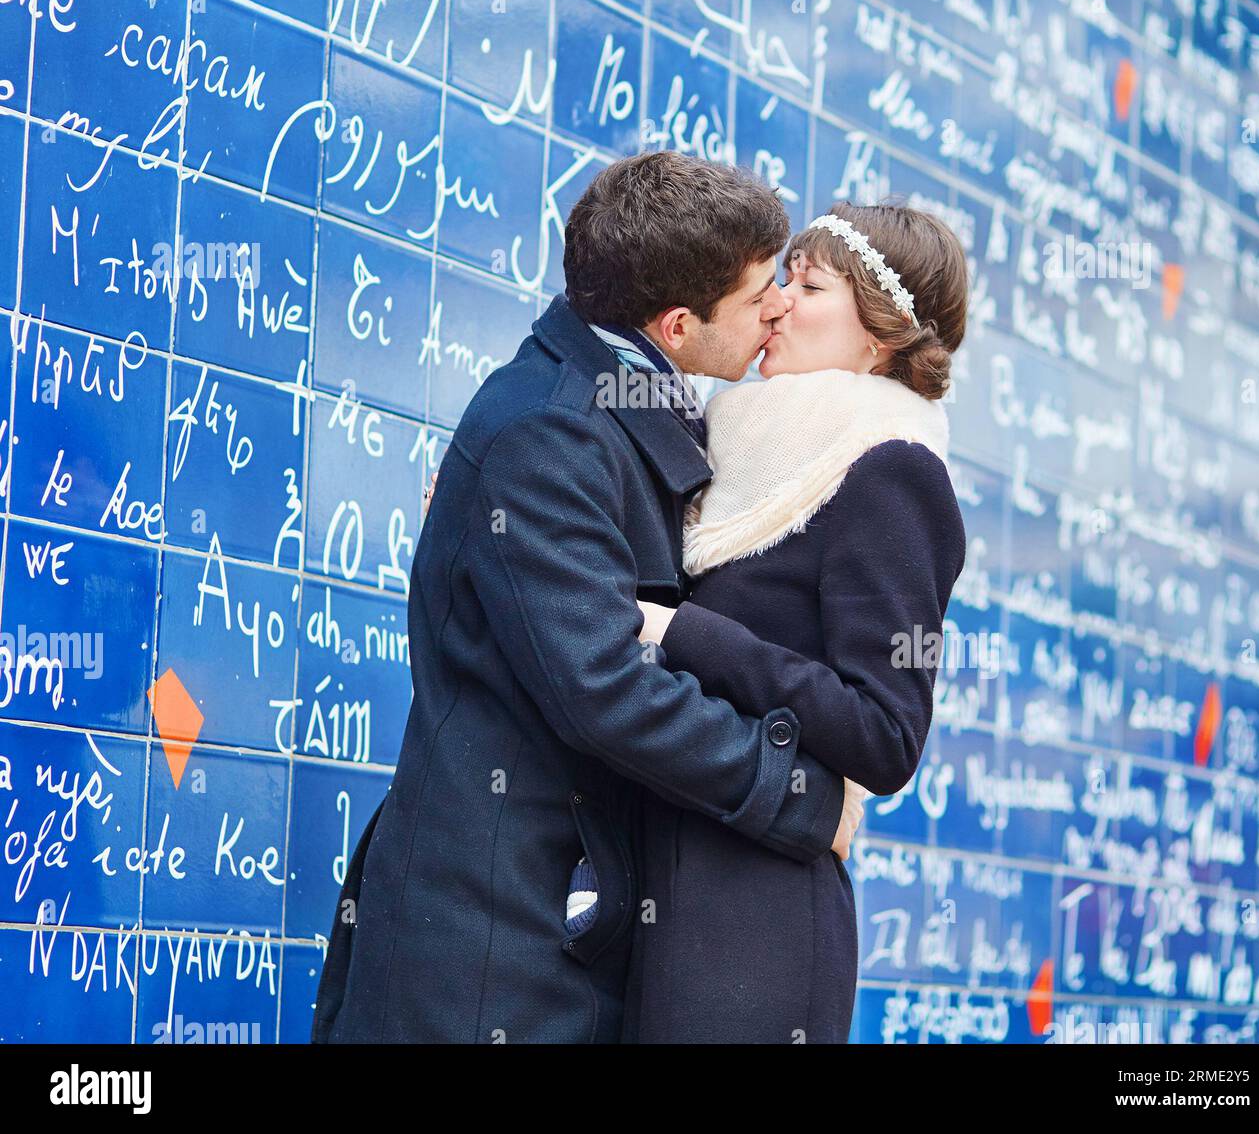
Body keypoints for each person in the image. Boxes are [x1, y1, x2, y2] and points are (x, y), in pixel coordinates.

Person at [310, 151, 865, 1044]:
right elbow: (605, 688)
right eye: (762, 289)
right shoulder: (551, 432)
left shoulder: (616, 409)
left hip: (557, 924)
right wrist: (797, 794)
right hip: (492, 951)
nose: (779, 306)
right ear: (679, 324)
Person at [623, 199, 969, 1043]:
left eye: (806, 285)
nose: (776, 300)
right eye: (780, 281)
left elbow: (886, 735)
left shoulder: (892, 473)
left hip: (754, 920)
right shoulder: (729, 447)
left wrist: (683, 634)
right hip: (653, 881)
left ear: (879, 335)